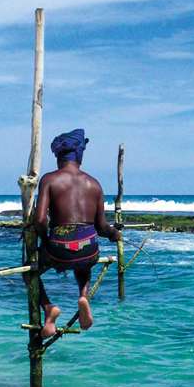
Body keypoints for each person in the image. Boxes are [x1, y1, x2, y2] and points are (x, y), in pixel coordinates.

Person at [35, 129, 121, 337]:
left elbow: (39, 220)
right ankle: (83, 296)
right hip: (88, 248)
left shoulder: (49, 179)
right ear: (80, 155)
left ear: (58, 156)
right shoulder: (94, 183)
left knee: (32, 273)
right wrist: (113, 234)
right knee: (84, 262)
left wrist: (45, 241)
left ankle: (48, 309)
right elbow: (101, 227)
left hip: (59, 249)